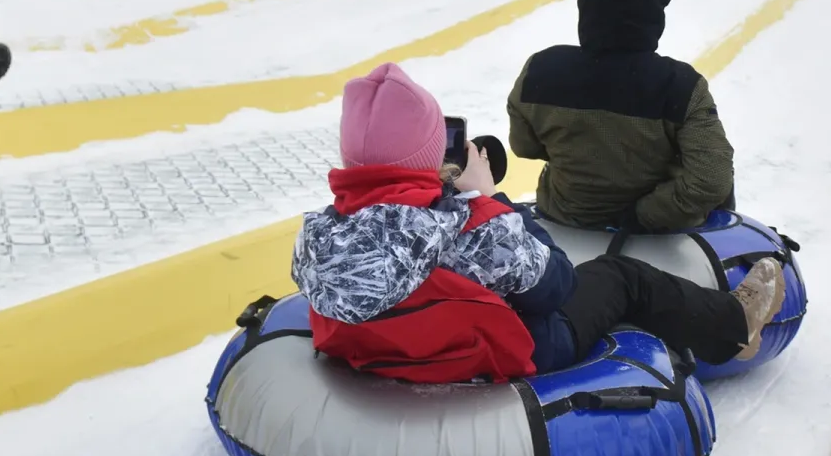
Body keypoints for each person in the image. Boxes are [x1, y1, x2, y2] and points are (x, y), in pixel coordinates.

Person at [294, 62, 786, 383]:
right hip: (511, 351)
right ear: (429, 157)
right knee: (619, 277)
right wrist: (489, 198)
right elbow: (555, 283)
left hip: (383, 352)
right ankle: (732, 326)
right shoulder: (475, 229)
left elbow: (394, 230)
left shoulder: (316, 237)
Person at [508, 0, 734, 234]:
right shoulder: (681, 85)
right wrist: (641, 216)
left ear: (586, 2)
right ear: (652, 8)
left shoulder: (540, 70)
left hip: (563, 220)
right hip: (658, 233)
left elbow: (524, 146)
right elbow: (712, 178)